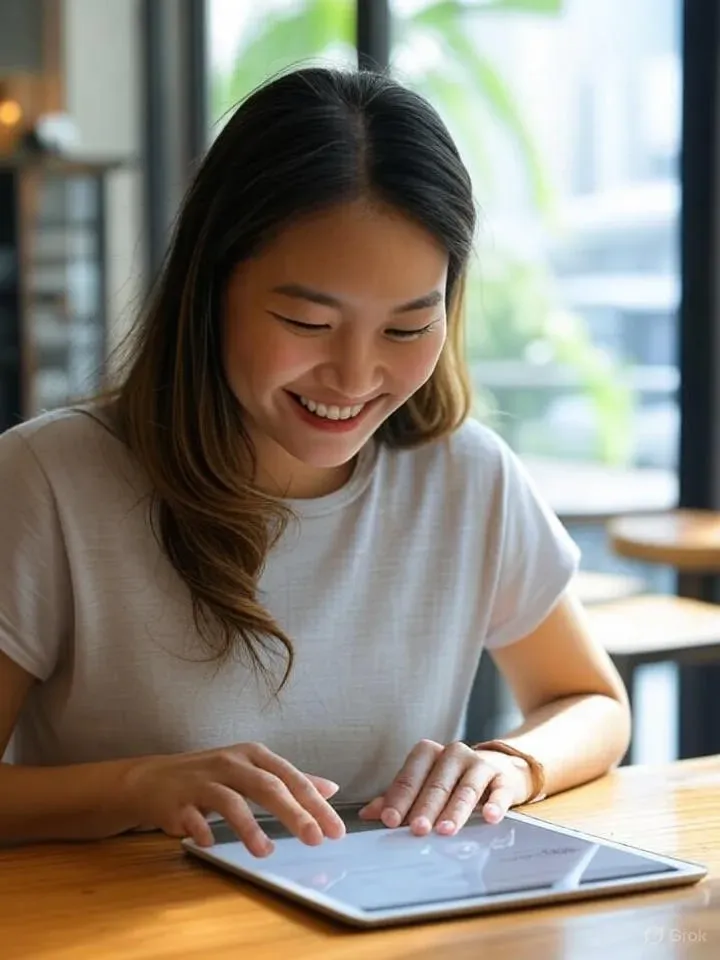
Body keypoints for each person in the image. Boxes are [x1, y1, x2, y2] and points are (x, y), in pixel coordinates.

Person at [0, 66, 630, 856]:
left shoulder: (466, 476)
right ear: (211, 286)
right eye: (307, 321)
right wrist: (139, 787)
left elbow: (591, 701)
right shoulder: (49, 479)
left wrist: (512, 763)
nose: (355, 378)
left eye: (406, 330)